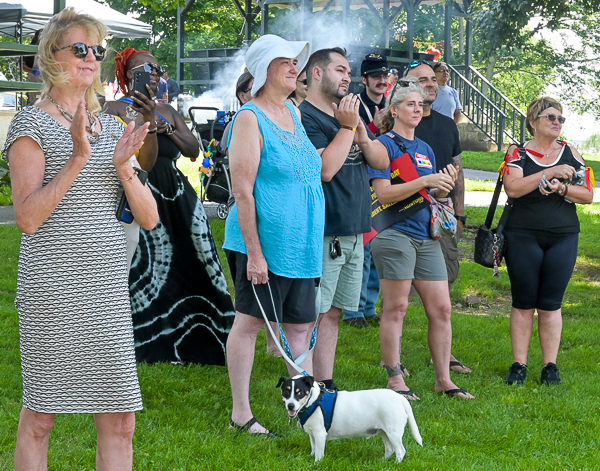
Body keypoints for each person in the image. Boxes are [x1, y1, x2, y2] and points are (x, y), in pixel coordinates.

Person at [2, 8, 159, 469]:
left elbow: (148, 218)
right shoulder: (29, 127)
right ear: (53, 56)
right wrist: (77, 158)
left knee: (120, 420)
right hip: (53, 289)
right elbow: (28, 219)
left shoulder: (112, 125)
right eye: (80, 48)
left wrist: (123, 167)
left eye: (98, 50)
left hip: (105, 290)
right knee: (41, 417)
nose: (92, 58)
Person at [105, 48, 235, 365]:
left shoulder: (167, 109)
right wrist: (145, 123)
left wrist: (169, 128)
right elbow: (134, 159)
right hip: (140, 192)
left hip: (177, 195)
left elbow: (193, 150)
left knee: (197, 261)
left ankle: (202, 336)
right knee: (146, 268)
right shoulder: (114, 107)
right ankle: (148, 341)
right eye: (142, 68)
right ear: (128, 77)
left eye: (156, 66)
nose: (152, 71)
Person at [224, 34, 325, 435]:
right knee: (249, 324)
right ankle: (240, 413)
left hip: (302, 245)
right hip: (264, 245)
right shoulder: (249, 118)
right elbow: (242, 190)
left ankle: (309, 408)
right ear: (265, 69)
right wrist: (255, 253)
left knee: (300, 327)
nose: (293, 67)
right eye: (284, 61)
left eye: (294, 61)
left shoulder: (294, 113)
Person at [369, 77, 474, 400]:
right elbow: (384, 194)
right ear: (395, 109)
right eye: (411, 104)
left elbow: (433, 192)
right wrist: (426, 180)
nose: (418, 109)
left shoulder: (425, 148)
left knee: (442, 309)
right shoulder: (383, 145)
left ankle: (444, 379)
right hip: (394, 232)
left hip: (426, 234)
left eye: (421, 105)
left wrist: (444, 183)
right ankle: (395, 378)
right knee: (396, 307)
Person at [299, 47, 388, 389]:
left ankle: (325, 382)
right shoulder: (306, 117)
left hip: (354, 229)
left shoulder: (348, 118)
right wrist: (348, 129)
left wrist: (359, 131)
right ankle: (303, 382)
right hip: (325, 231)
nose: (347, 77)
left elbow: (381, 162)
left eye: (348, 71)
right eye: (340, 69)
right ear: (318, 74)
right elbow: (325, 169)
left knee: (334, 312)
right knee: (314, 313)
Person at [502, 97, 593, 386]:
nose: (557, 122)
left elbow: (588, 194)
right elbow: (513, 188)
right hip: (522, 235)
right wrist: (549, 172)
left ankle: (549, 366)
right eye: (551, 117)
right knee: (524, 301)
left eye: (560, 118)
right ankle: (519, 365)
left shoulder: (571, 153)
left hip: (563, 236)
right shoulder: (517, 152)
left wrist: (563, 188)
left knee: (551, 303)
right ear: (533, 122)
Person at [406, 60, 471, 374]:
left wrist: (459, 216)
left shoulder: (447, 125)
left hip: (442, 215)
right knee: (399, 294)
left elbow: (457, 174)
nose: (431, 84)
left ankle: (443, 355)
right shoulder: (399, 121)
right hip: (402, 215)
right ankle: (393, 358)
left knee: (444, 286)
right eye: (422, 80)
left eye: (433, 80)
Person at [358, 53, 389, 135]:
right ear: (364, 80)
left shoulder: (392, 105)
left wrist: (395, 116)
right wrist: (373, 126)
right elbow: (349, 140)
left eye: (385, 76)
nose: (382, 81)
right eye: (376, 76)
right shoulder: (352, 105)